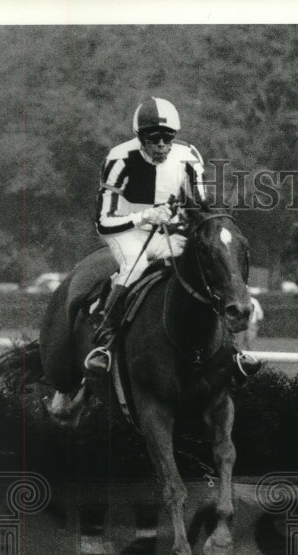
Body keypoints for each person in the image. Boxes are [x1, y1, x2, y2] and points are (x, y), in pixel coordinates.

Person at [85, 97, 207, 374]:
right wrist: (144, 216)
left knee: (202, 266)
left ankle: (228, 347)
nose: (162, 145)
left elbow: (201, 208)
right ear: (140, 137)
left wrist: (185, 220)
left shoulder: (189, 157)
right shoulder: (119, 158)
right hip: (126, 232)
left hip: (167, 234)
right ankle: (106, 339)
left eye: (168, 138)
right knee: (136, 265)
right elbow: (104, 222)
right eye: (154, 139)